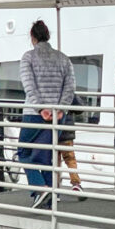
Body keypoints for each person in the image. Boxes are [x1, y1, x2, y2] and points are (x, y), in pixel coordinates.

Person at [18, 20, 76, 209]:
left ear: (32, 37)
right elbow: (70, 87)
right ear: (48, 36)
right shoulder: (63, 58)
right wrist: (60, 108)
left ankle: (40, 189)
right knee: (46, 156)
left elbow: (29, 86)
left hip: (34, 115)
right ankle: (48, 198)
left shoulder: (28, 57)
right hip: (58, 115)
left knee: (24, 152)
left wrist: (39, 108)